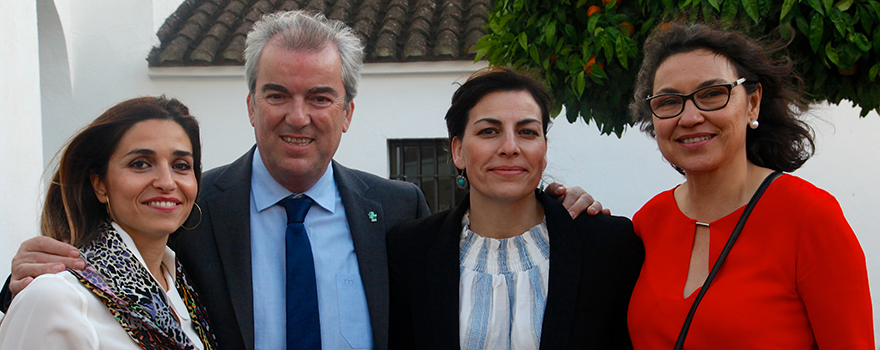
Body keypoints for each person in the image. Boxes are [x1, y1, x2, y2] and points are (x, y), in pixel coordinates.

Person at [1, 10, 603, 350]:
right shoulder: (191, 207)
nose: (298, 116)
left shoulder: (398, 207)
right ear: (250, 106)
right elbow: (106, 296)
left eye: (320, 96)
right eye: (277, 95)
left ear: (347, 113)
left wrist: (551, 202)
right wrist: (19, 284)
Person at [626, 21, 874, 349]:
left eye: (712, 94)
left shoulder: (810, 218)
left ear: (752, 103)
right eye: (669, 101)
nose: (689, 117)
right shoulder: (649, 221)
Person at [386, 67, 644, 349]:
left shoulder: (609, 245)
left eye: (527, 132)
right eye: (488, 131)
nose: (510, 147)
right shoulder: (410, 251)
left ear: (543, 149)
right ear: (458, 151)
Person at [0, 97, 217, 349]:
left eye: (181, 165)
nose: (167, 182)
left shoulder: (184, 290)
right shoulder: (57, 296)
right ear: (99, 184)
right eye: (140, 164)